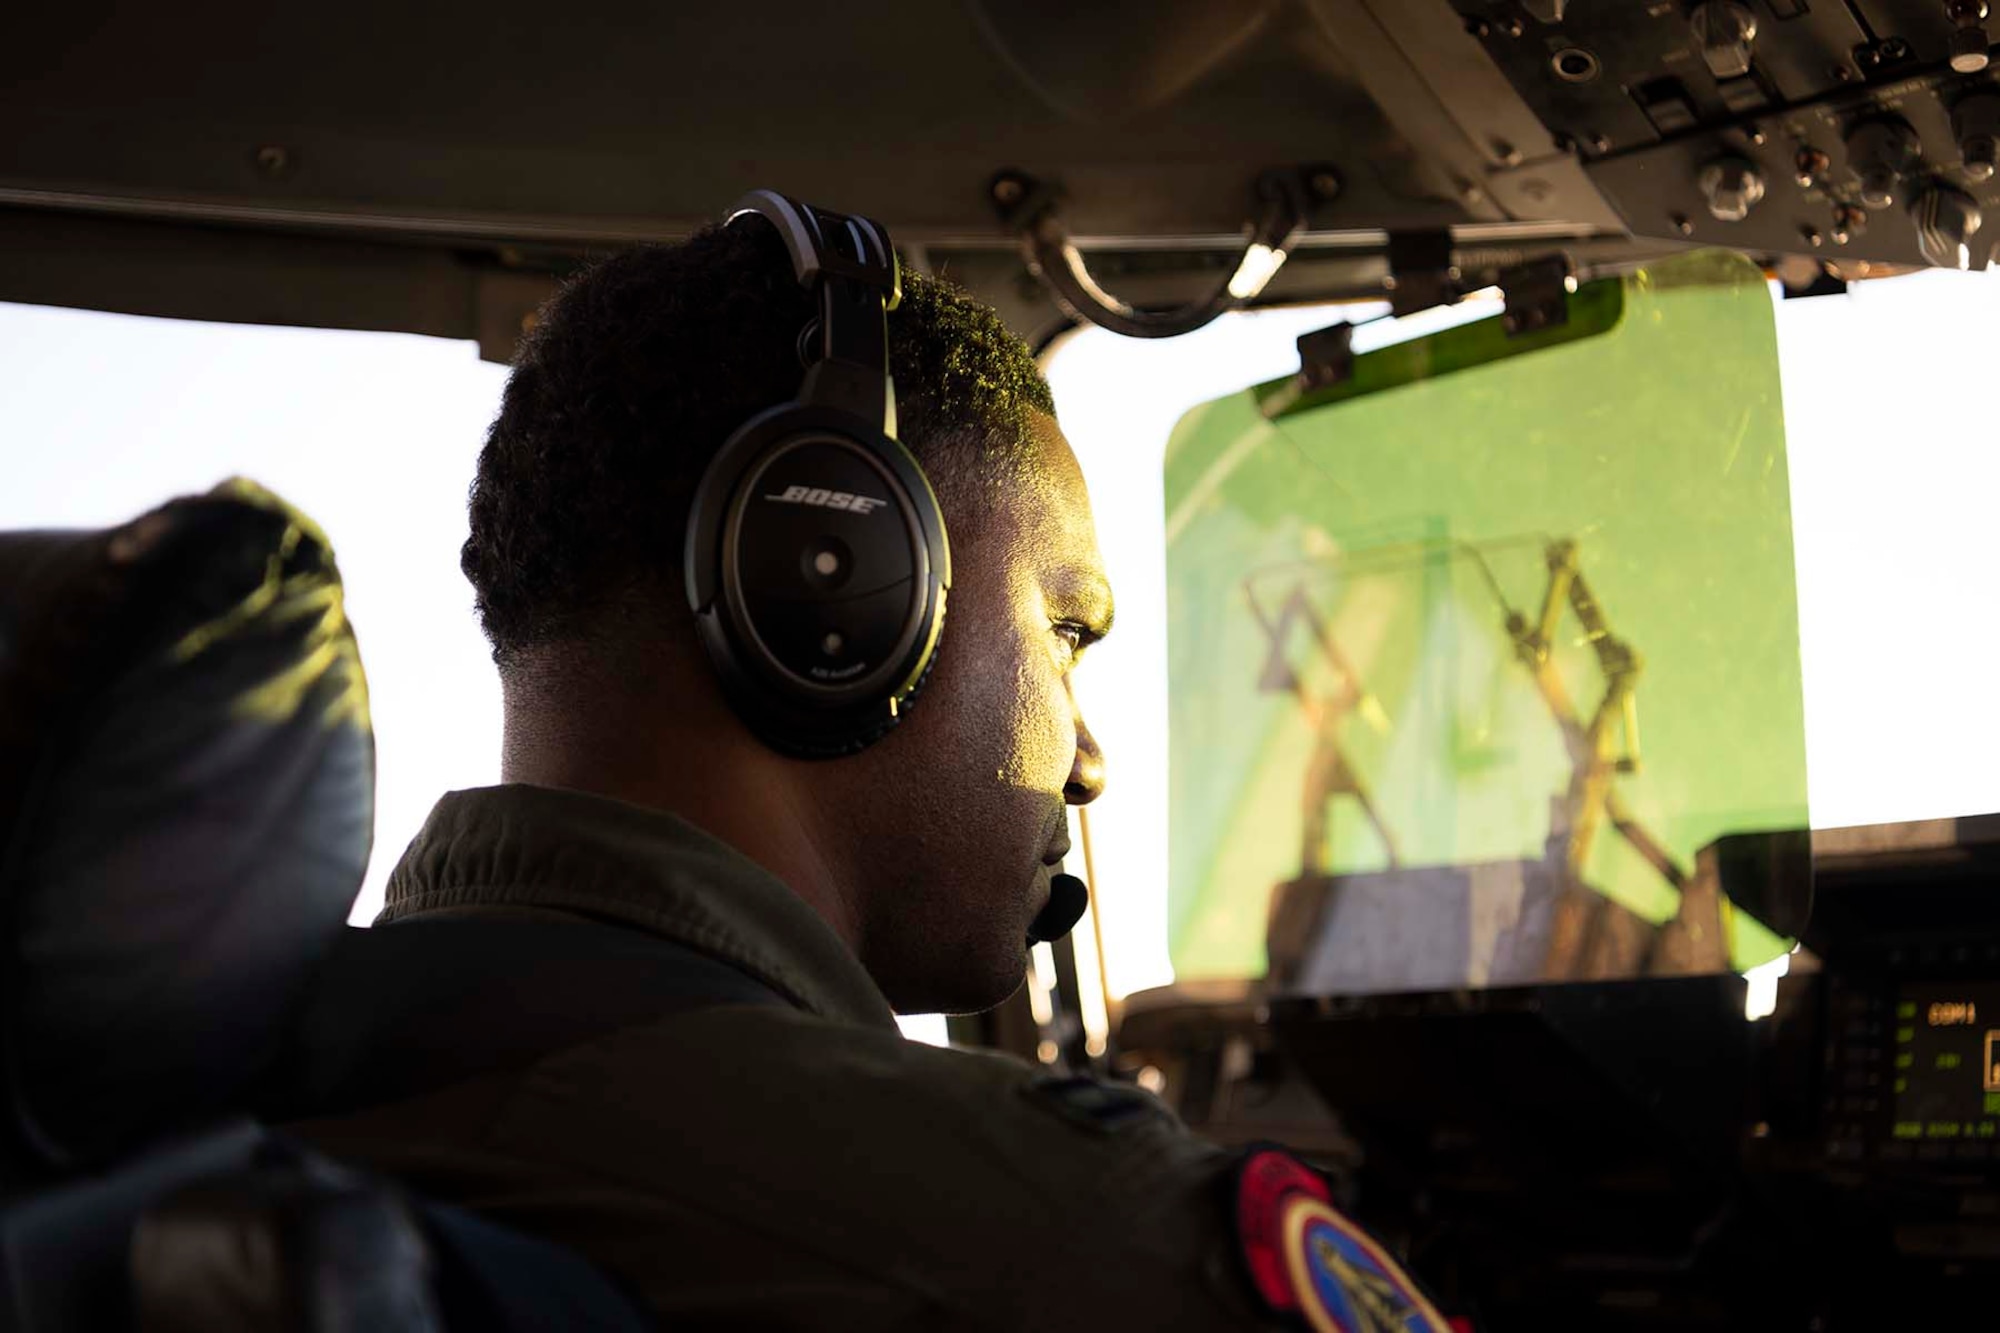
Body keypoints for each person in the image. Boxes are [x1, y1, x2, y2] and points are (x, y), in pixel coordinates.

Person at [274, 202, 1448, 1331]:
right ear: (832, 583)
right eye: (1065, 631)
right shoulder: (1067, 1230)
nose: (1086, 762)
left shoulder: (244, 1080)